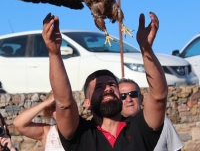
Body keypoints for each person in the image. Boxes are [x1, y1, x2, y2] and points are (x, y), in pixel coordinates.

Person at [42, 11, 168, 150]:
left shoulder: (139, 127)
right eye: (98, 87)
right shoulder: (80, 134)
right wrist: (54, 54)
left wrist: (146, 49)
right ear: (87, 103)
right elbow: (64, 104)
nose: (107, 88)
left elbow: (159, 96)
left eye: (112, 84)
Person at [118, 78, 184, 151]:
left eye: (133, 94)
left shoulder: (163, 123)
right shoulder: (114, 130)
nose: (129, 99)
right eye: (122, 96)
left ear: (141, 98)